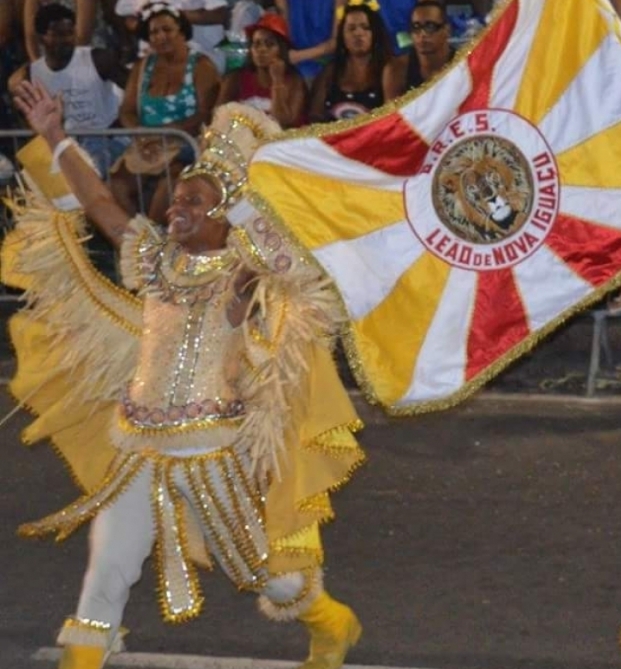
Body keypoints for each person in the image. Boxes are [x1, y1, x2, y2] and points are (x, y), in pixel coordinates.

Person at [8, 79, 366, 669]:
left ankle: (331, 622)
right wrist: (56, 136)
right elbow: (101, 205)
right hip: (139, 449)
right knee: (106, 573)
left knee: (263, 574)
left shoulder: (240, 276)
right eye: (177, 197)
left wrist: (248, 199)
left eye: (194, 202)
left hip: (209, 456)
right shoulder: (153, 259)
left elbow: (293, 265)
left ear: (224, 217)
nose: (176, 206)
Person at [109, 2, 220, 222]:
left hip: (185, 143)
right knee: (117, 185)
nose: (160, 37)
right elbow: (127, 111)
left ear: (182, 32)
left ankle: (157, 242)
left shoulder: (201, 65)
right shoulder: (143, 67)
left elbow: (205, 114)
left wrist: (168, 133)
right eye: (154, 32)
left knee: (168, 186)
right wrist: (143, 135)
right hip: (147, 143)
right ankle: (139, 235)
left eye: (167, 30)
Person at [7, 3, 127, 173]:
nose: (66, 40)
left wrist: (121, 127)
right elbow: (28, 118)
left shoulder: (98, 59)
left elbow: (136, 91)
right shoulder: (31, 74)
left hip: (105, 138)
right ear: (41, 38)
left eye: (70, 33)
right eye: (57, 35)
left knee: (94, 156)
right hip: (63, 142)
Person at [216, 11, 309, 128]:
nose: (262, 49)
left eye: (269, 44)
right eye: (256, 44)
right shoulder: (235, 78)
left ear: (281, 49)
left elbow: (284, 123)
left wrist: (277, 81)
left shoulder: (294, 80)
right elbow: (218, 116)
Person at [309, 0, 391, 122]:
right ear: (342, 36)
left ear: (375, 33)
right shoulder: (330, 72)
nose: (358, 33)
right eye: (351, 28)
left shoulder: (388, 70)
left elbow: (392, 118)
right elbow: (315, 115)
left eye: (366, 27)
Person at [384, 0, 456, 100]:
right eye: (416, 27)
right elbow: (393, 115)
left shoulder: (464, 66)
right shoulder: (397, 70)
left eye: (430, 27)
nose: (422, 34)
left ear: (447, 30)